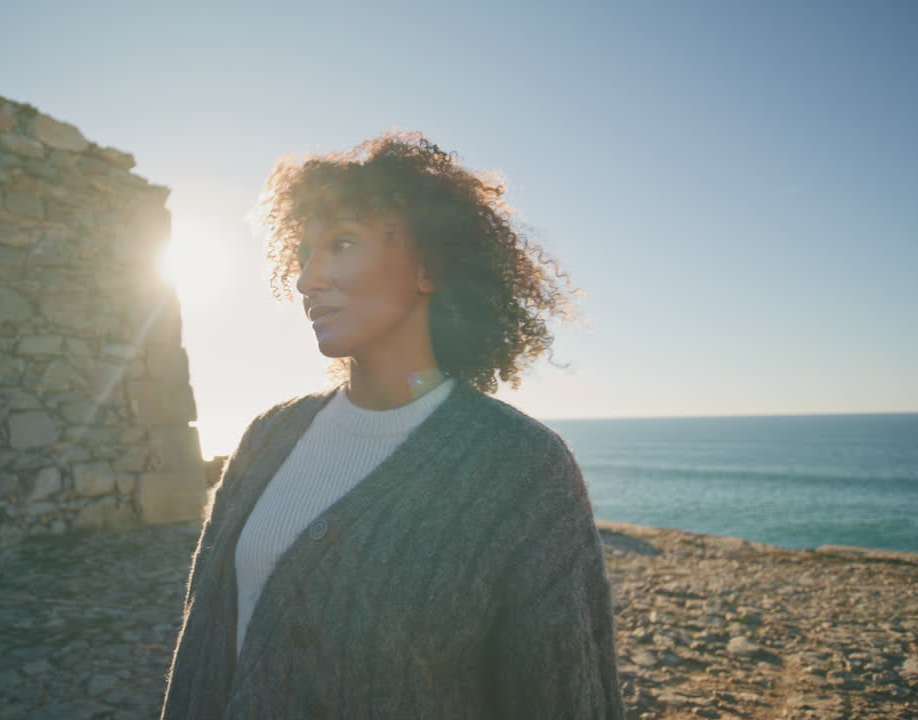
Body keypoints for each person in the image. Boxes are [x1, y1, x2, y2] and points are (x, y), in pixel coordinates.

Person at [160, 130, 624, 719]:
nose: (308, 280)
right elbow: (203, 649)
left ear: (428, 267)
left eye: (343, 244)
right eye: (303, 255)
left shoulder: (523, 468)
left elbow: (565, 699)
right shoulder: (267, 437)